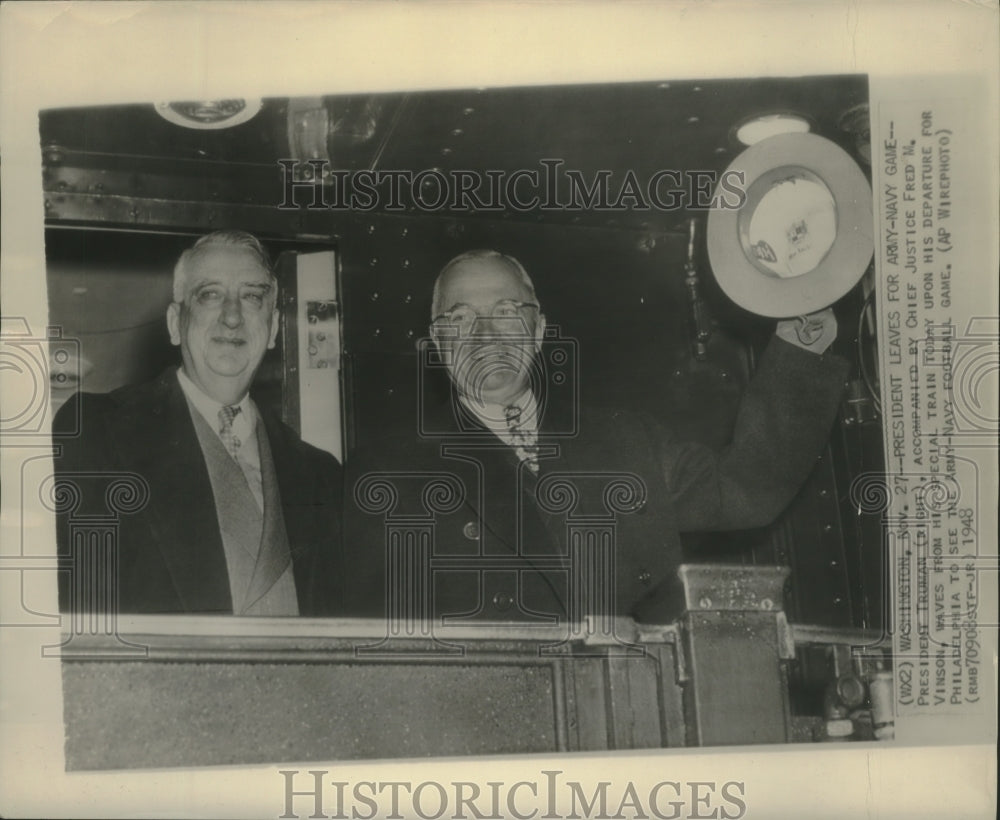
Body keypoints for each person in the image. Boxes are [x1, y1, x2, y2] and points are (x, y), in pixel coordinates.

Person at [343, 249, 849, 626]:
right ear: (437, 343)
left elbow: (746, 491)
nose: (484, 336)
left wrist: (801, 345)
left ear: (539, 330)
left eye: (505, 313)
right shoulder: (388, 472)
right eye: (460, 319)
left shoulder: (628, 440)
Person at [52, 230, 342, 616]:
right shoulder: (97, 433)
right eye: (210, 294)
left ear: (272, 330)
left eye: (252, 296)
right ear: (175, 323)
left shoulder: (321, 474)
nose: (233, 316)